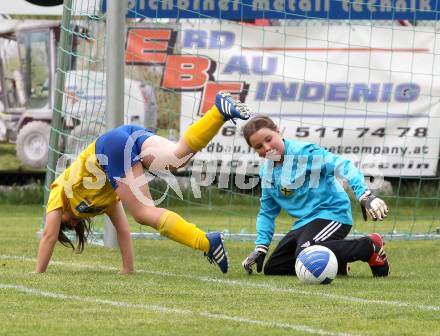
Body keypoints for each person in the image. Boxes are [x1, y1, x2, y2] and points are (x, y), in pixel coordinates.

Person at [35, 92, 250, 274]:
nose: (67, 223)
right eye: (69, 226)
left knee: (144, 212)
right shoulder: (101, 202)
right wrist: (127, 270)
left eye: (63, 222)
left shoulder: (59, 191)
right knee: (176, 158)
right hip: (125, 134)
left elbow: (49, 235)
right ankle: (218, 111)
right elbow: (123, 231)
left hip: (108, 148)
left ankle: (206, 242)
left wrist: (38, 273)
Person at [240, 115, 390, 277]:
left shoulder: (304, 153)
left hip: (332, 213)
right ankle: (338, 264)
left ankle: (369, 247)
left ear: (278, 131)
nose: (267, 147)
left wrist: (364, 195)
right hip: (303, 224)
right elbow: (267, 212)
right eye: (259, 146)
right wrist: (261, 247)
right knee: (274, 268)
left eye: (269, 139)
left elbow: (343, 165)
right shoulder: (266, 172)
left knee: (306, 252)